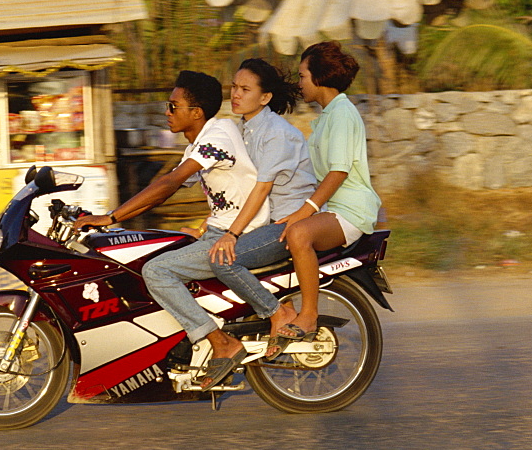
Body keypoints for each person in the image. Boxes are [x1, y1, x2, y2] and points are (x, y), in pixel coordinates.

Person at [73, 70, 268, 390]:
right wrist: (113, 218)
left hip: (238, 235)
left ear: (196, 112)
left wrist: (110, 217)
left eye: (172, 105)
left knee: (157, 271)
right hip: (219, 230)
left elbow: (169, 183)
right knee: (162, 248)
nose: (166, 111)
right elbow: (164, 190)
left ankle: (222, 344)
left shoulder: (216, 138)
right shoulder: (204, 140)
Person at [264, 41, 382, 358]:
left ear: (320, 77)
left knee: (299, 232)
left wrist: (306, 211)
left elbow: (338, 172)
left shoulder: (342, 114)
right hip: (334, 209)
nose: (300, 83)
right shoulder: (329, 115)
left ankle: (309, 316)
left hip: (351, 212)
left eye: (303, 76)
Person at [205, 59, 316, 355]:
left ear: (264, 98)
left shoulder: (276, 132)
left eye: (245, 89)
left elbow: (261, 188)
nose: (236, 94)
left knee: (221, 259)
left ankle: (278, 313)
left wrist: (231, 233)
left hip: (285, 223)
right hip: (264, 221)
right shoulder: (243, 129)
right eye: (234, 87)